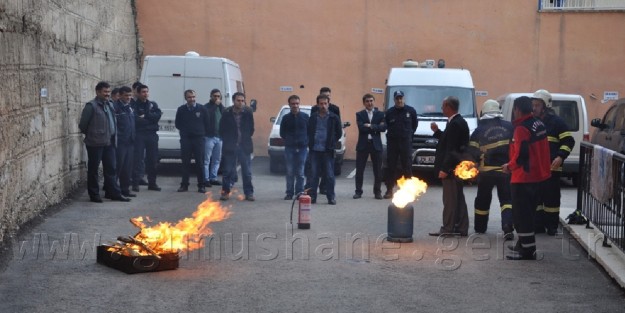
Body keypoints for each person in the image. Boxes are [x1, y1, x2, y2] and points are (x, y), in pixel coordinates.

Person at [502, 96, 551, 260]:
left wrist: (509, 167)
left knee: (522, 216)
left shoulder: (522, 128)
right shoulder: (538, 124)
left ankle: (528, 250)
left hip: (524, 178)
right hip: (538, 176)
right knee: (528, 212)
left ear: (517, 109)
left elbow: (521, 154)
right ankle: (522, 244)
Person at [531, 89, 575, 235]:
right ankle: (537, 226)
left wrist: (561, 156)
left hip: (551, 169)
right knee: (536, 200)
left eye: (537, 105)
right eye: (533, 105)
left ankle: (551, 227)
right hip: (536, 170)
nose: (534, 108)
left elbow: (568, 141)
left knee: (551, 200)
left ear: (545, 106)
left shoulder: (557, 122)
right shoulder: (532, 122)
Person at [468, 99, 514, 238]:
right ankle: (507, 227)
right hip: (505, 170)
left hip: (486, 172)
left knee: (482, 199)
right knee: (506, 200)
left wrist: (472, 171)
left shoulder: (479, 130)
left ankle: (480, 227)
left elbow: (472, 152)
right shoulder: (509, 127)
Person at [78, 81, 130, 203]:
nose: (107, 94)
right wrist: (94, 134)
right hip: (95, 143)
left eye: (108, 92)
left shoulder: (110, 104)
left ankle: (113, 193)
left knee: (111, 168)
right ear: (97, 92)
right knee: (93, 170)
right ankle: (94, 195)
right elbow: (83, 125)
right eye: (104, 92)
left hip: (109, 142)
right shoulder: (91, 106)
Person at [428, 96, 470, 237]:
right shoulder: (456, 122)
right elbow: (449, 141)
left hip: (452, 170)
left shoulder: (455, 124)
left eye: (443, 106)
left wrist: (445, 169)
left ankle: (448, 228)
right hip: (457, 168)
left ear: (448, 106)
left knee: (450, 200)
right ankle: (461, 227)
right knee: (458, 198)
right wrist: (437, 132)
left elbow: (452, 150)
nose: (441, 108)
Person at [220, 92, 255, 201]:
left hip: (244, 146)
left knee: (247, 172)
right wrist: (228, 141)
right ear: (233, 101)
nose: (240, 103)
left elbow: (251, 129)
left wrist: (244, 139)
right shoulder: (226, 112)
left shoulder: (248, 112)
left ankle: (249, 193)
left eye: (242, 100)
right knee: (227, 171)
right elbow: (221, 129)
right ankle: (225, 192)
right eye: (238, 100)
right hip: (230, 146)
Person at [307, 94, 342, 205]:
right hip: (315, 150)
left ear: (328, 104)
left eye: (325, 103)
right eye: (321, 103)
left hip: (328, 151)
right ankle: (312, 197)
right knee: (313, 175)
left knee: (329, 175)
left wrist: (331, 142)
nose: (323, 106)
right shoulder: (312, 117)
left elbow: (339, 133)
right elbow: (308, 132)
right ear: (317, 104)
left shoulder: (333, 117)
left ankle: (331, 197)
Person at [384, 90, 418, 199]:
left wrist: (409, 136)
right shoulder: (389, 112)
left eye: (401, 98)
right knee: (391, 167)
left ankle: (408, 191)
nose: (399, 100)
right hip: (393, 143)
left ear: (404, 98)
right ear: (394, 100)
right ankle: (389, 190)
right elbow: (387, 125)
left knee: (407, 167)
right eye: (397, 98)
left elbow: (414, 125)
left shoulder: (411, 111)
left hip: (405, 143)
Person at [175, 89, 209, 193]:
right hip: (186, 139)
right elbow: (178, 124)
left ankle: (201, 185)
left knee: (200, 162)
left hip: (198, 139)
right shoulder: (181, 109)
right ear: (186, 98)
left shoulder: (202, 109)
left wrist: (200, 133)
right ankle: (184, 185)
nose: (192, 99)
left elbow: (207, 123)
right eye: (189, 97)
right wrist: (186, 132)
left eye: (193, 97)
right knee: (185, 163)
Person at [354, 93, 386, 200]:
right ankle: (358, 191)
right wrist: (375, 127)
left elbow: (383, 128)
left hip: (376, 145)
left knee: (377, 170)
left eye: (371, 101)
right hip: (363, 145)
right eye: (367, 101)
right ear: (364, 103)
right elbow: (361, 128)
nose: (369, 103)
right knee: (359, 170)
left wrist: (370, 126)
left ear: (374, 101)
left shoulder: (380, 114)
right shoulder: (359, 114)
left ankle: (377, 192)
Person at [131, 84, 162, 192]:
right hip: (139, 135)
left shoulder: (152, 105)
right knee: (137, 159)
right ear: (138, 93)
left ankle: (152, 183)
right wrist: (149, 118)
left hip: (152, 135)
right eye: (143, 92)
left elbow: (157, 116)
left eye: (147, 92)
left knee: (153, 160)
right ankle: (135, 183)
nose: (146, 94)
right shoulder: (133, 105)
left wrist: (146, 116)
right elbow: (135, 120)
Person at [280, 95, 309, 200]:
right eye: (293, 104)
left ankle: (299, 193)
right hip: (289, 148)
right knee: (290, 171)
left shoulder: (305, 117)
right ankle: (289, 193)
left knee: (300, 172)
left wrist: (306, 141)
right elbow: (282, 133)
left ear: (299, 104)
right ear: (289, 105)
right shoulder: (285, 118)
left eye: (297, 103)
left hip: (302, 149)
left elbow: (310, 131)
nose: (295, 105)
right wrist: (289, 140)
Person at [113, 86, 136, 198]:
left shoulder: (129, 108)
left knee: (127, 168)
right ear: (120, 95)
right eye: (126, 95)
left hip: (130, 142)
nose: (128, 97)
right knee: (118, 167)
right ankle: (113, 190)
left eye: (130, 95)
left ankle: (125, 189)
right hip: (120, 142)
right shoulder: (115, 107)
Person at [203, 89, 224, 187]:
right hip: (209, 137)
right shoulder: (206, 107)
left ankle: (213, 178)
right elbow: (207, 115)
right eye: (215, 96)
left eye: (218, 96)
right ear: (211, 96)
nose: (217, 98)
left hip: (219, 137)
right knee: (206, 160)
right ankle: (205, 179)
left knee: (216, 159)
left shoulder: (220, 107)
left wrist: (219, 106)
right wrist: (215, 105)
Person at [130, 81, 148, 187]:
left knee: (141, 158)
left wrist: (144, 117)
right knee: (133, 158)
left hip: (142, 133)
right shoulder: (131, 103)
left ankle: (140, 177)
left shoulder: (146, 103)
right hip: (133, 133)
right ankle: (133, 178)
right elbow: (135, 118)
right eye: (137, 90)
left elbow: (150, 116)